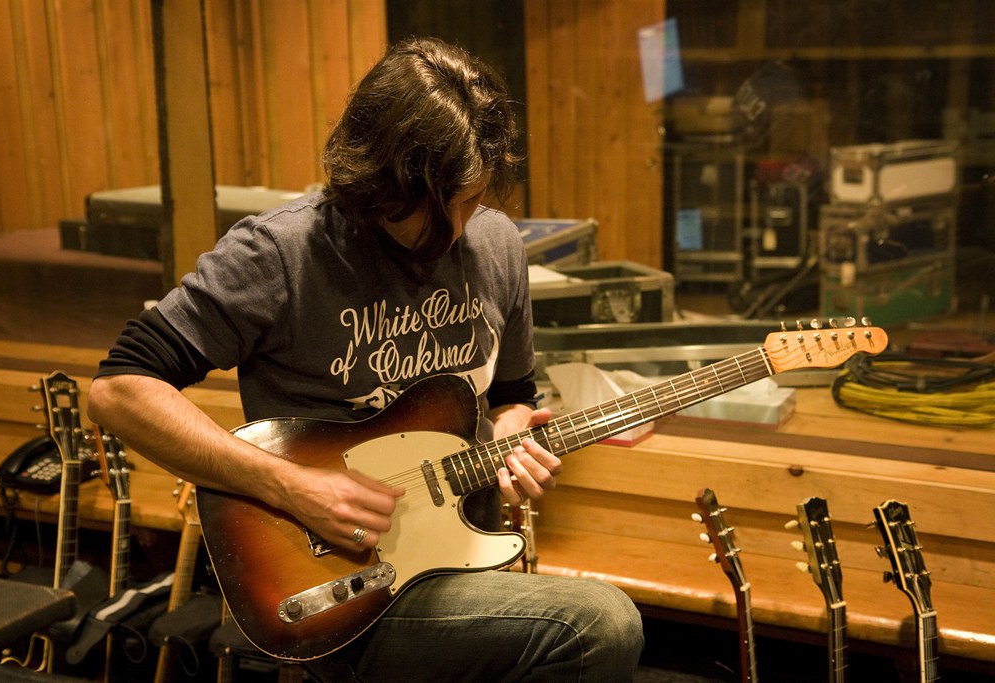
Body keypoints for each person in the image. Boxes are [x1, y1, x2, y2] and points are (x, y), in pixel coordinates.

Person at [87, 36, 643, 681]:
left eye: (471, 200)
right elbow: (119, 389)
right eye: (439, 208)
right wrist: (294, 486)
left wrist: (513, 434)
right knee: (600, 621)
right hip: (340, 585)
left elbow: (511, 395)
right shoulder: (279, 255)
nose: (459, 227)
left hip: (461, 560)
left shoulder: (496, 246)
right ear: (377, 182)